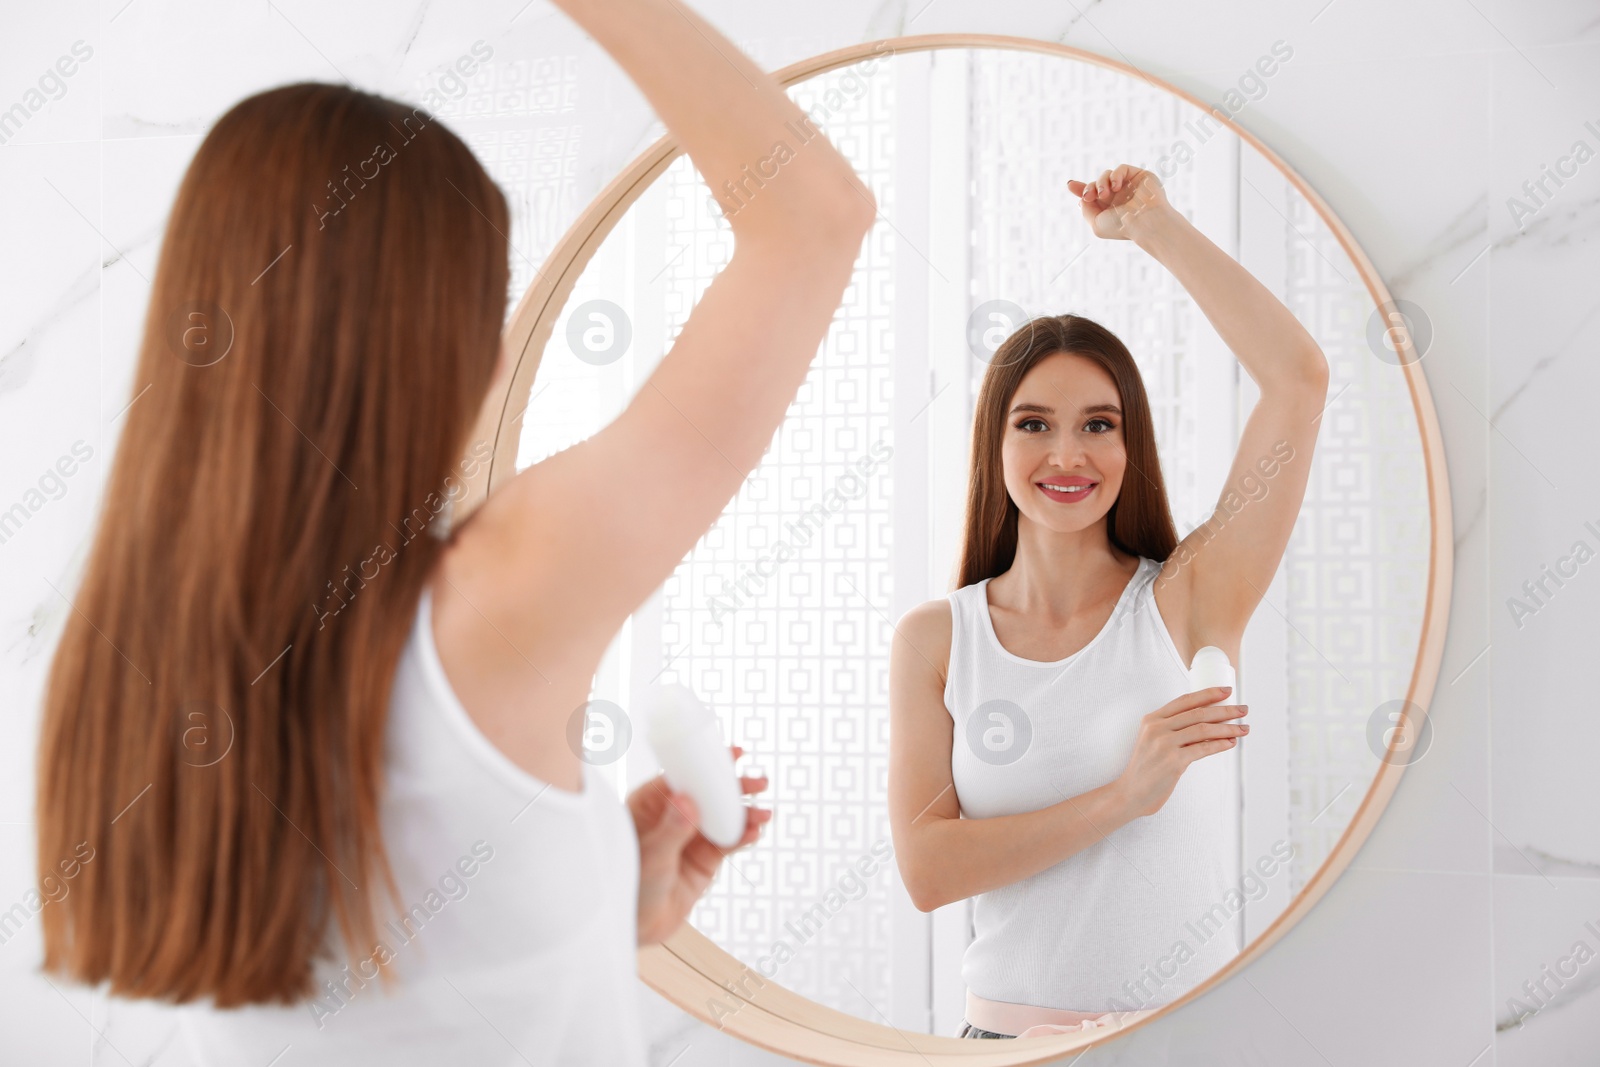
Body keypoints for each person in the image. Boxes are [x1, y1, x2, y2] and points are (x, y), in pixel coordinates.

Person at [31, 1, 875, 1063]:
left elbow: (366, 998)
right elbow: (813, 212)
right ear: (439, 331)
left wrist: (596, 897)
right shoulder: (492, 593)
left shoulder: (126, 647)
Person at [887, 164, 1329, 1039]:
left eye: (1099, 422)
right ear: (996, 442)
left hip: (1187, 1037)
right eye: (1034, 422)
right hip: (1006, 1048)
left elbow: (1298, 378)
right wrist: (1124, 794)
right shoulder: (938, 639)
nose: (1067, 455)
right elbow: (929, 869)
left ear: (1131, 443)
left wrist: (1154, 225)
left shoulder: (1188, 598)